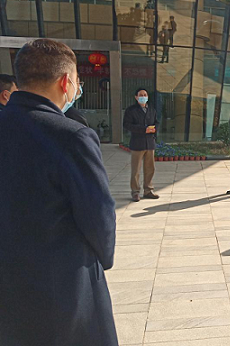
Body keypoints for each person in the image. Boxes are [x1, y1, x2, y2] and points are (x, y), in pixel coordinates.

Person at [0, 38, 117, 345]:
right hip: (62, 288)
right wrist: (103, 258)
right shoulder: (71, 136)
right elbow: (99, 216)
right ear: (66, 82)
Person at [123, 88, 159, 202]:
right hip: (137, 143)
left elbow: (156, 122)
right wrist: (143, 129)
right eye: (141, 95)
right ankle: (135, 192)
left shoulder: (151, 109)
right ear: (136, 97)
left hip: (150, 143)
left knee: (150, 168)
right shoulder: (131, 110)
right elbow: (127, 125)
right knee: (136, 170)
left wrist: (154, 129)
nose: (143, 96)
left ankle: (148, 190)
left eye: (145, 95)